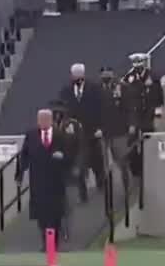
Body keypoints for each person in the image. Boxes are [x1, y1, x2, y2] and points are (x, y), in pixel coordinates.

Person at [16, 109, 72, 250]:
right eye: (40, 119)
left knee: (55, 214)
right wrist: (20, 174)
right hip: (38, 181)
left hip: (55, 181)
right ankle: (46, 243)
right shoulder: (31, 135)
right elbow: (24, 155)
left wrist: (63, 157)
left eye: (45, 119)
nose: (42, 122)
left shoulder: (60, 135)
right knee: (42, 215)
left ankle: (54, 243)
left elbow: (69, 154)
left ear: (51, 120)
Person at [57, 63, 105, 202]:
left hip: (92, 131)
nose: (76, 77)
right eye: (74, 75)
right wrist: (65, 126)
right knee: (79, 163)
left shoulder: (95, 89)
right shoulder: (66, 91)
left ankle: (101, 186)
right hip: (75, 134)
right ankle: (82, 194)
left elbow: (101, 109)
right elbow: (62, 110)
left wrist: (100, 128)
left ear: (83, 75)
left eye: (79, 75)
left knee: (97, 161)